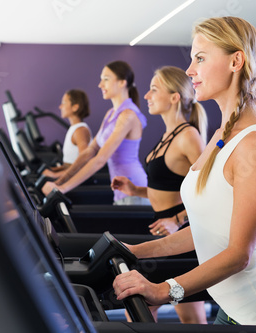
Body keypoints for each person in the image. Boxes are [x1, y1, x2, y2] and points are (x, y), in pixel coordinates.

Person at [112, 16, 256, 326]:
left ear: (236, 61)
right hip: (232, 309)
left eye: (200, 58)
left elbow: (238, 254)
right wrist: (135, 251)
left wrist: (164, 291)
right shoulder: (221, 134)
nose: (190, 69)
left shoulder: (255, 145)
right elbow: (206, 230)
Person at [111, 65, 208, 324]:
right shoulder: (168, 135)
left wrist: (177, 221)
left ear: (175, 97)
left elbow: (210, 194)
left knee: (181, 315)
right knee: (160, 311)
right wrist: (134, 190)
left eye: (155, 89)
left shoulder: (189, 137)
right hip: (162, 232)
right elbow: (166, 186)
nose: (146, 95)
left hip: (181, 236)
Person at [42, 60, 149, 205]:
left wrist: (62, 188)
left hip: (134, 187)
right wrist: (60, 180)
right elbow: (90, 151)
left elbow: (100, 159)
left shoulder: (128, 115)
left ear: (122, 82)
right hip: (119, 189)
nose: (100, 84)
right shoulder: (110, 114)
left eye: (106, 79)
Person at [43, 89, 92, 178]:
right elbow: (71, 163)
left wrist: (55, 175)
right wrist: (55, 169)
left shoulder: (80, 130)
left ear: (75, 107)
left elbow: (84, 163)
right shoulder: (74, 128)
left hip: (77, 179)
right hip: (70, 174)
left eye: (64, 103)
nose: (60, 106)